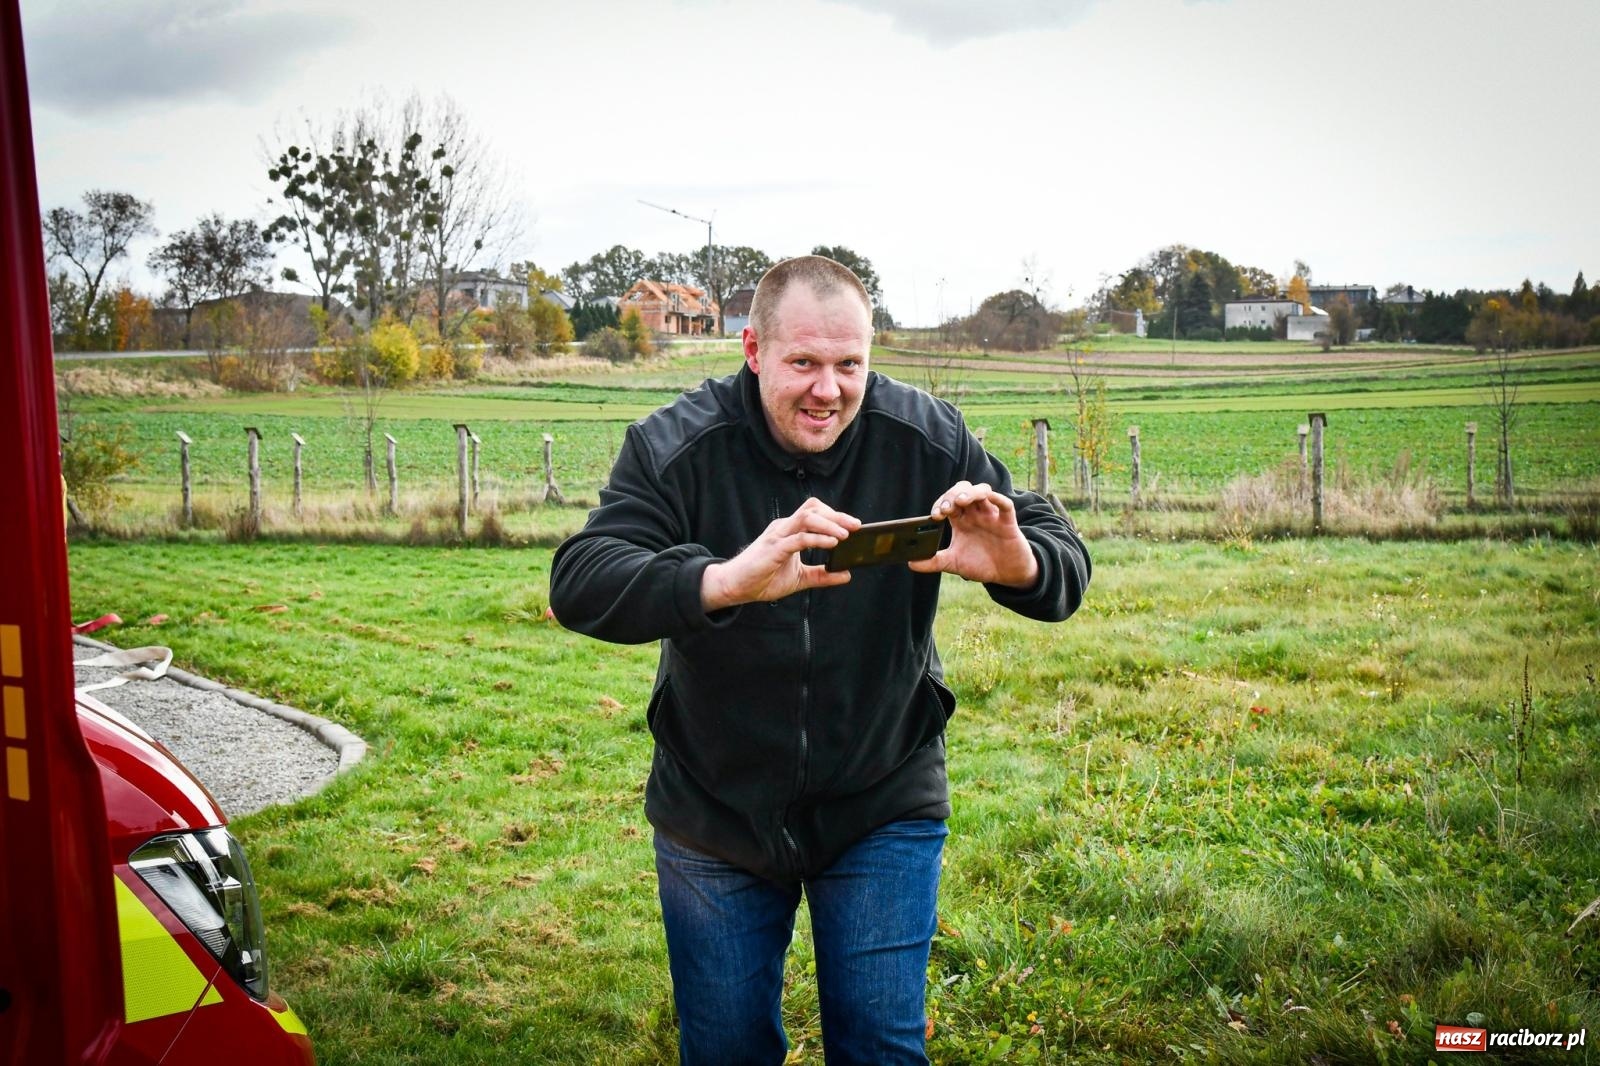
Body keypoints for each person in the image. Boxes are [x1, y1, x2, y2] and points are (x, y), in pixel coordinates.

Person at [549, 255, 1090, 1065]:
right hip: (716, 811)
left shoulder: (925, 437)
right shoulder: (675, 445)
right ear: (753, 350)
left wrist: (1017, 562)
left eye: (849, 365)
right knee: (727, 1050)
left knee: (880, 1048)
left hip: (881, 799)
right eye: (803, 362)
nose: (828, 390)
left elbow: (1059, 557)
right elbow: (581, 579)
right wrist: (723, 581)